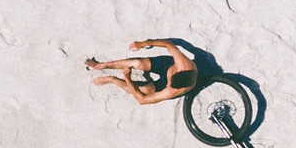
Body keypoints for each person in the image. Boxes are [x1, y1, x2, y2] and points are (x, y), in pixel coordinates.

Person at [84, 36, 217, 104]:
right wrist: (143, 43)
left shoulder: (172, 90)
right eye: (171, 78)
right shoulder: (184, 64)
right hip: (167, 64)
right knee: (137, 63)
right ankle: (102, 65)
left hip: (165, 82)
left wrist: (128, 79)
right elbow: (168, 44)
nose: (169, 82)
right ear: (178, 71)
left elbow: (142, 100)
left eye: (170, 83)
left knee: (143, 90)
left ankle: (110, 79)